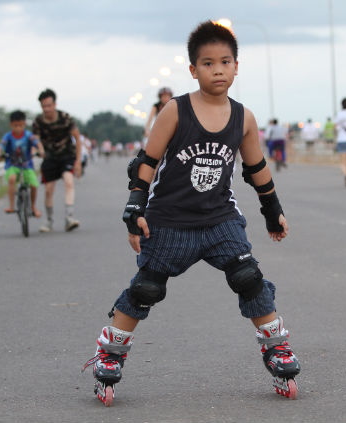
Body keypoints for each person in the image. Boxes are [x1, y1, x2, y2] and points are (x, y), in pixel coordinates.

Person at [82, 20, 300, 406]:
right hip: (170, 221)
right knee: (146, 287)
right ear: (193, 70)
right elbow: (146, 162)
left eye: (225, 61)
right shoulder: (175, 110)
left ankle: (277, 348)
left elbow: (256, 169)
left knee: (249, 278)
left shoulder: (243, 117)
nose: (217, 69)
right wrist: (135, 207)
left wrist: (273, 210)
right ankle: (109, 353)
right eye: (207, 63)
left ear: (236, 66)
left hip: (220, 221)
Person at [32, 88, 82, 232]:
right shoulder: (38, 121)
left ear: (55, 104)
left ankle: (69, 217)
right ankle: (49, 221)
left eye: (49, 105)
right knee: (48, 190)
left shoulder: (65, 118)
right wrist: (37, 150)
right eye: (43, 106)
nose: (46, 109)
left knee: (68, 181)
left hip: (66, 154)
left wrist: (78, 161)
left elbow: (77, 138)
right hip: (49, 157)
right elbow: (35, 140)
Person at [0, 110, 45, 217]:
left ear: (24, 124)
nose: (18, 128)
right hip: (12, 165)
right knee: (12, 179)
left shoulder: (28, 135)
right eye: (15, 125)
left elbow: (37, 143)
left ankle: (33, 207)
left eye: (20, 125)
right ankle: (12, 206)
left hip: (26, 165)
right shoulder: (8, 136)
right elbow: (1, 146)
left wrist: (41, 151)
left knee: (33, 185)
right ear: (11, 125)